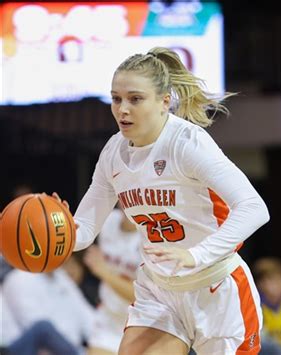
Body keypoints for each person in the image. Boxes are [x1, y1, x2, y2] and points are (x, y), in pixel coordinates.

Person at [56, 46, 269, 354]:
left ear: (164, 101)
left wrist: (195, 255)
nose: (122, 109)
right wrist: (57, 233)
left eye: (135, 99)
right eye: (116, 99)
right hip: (159, 291)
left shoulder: (187, 144)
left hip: (216, 289)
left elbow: (254, 208)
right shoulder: (113, 152)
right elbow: (86, 229)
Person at [84, 206, 142, 355]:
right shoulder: (108, 220)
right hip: (108, 321)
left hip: (141, 324)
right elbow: (77, 227)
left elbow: (141, 296)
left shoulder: (152, 236)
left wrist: (104, 272)